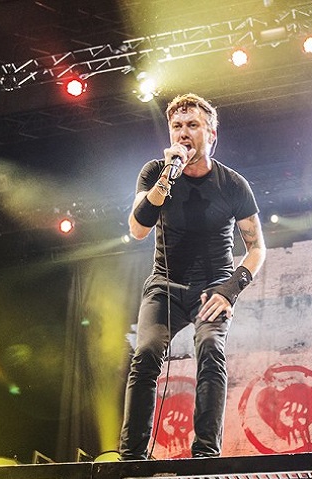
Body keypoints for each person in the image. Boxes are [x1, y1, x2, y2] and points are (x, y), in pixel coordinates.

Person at [118, 93, 266, 460]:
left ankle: (205, 455)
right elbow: (138, 229)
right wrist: (167, 179)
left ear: (211, 134)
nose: (183, 133)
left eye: (193, 125)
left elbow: (257, 249)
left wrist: (230, 291)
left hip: (213, 287)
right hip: (164, 286)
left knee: (211, 349)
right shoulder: (155, 172)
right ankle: (130, 459)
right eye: (177, 126)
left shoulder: (232, 184)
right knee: (146, 353)